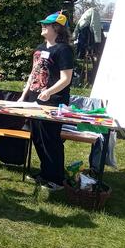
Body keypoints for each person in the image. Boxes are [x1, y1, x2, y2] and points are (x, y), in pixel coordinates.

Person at [19, 11, 74, 191]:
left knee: (51, 140)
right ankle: (45, 173)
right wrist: (23, 95)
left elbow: (66, 78)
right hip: (35, 100)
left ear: (57, 28)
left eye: (47, 24)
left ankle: (56, 180)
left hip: (54, 102)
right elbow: (33, 74)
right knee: (38, 137)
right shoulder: (39, 48)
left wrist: (49, 92)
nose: (43, 26)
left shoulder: (64, 50)